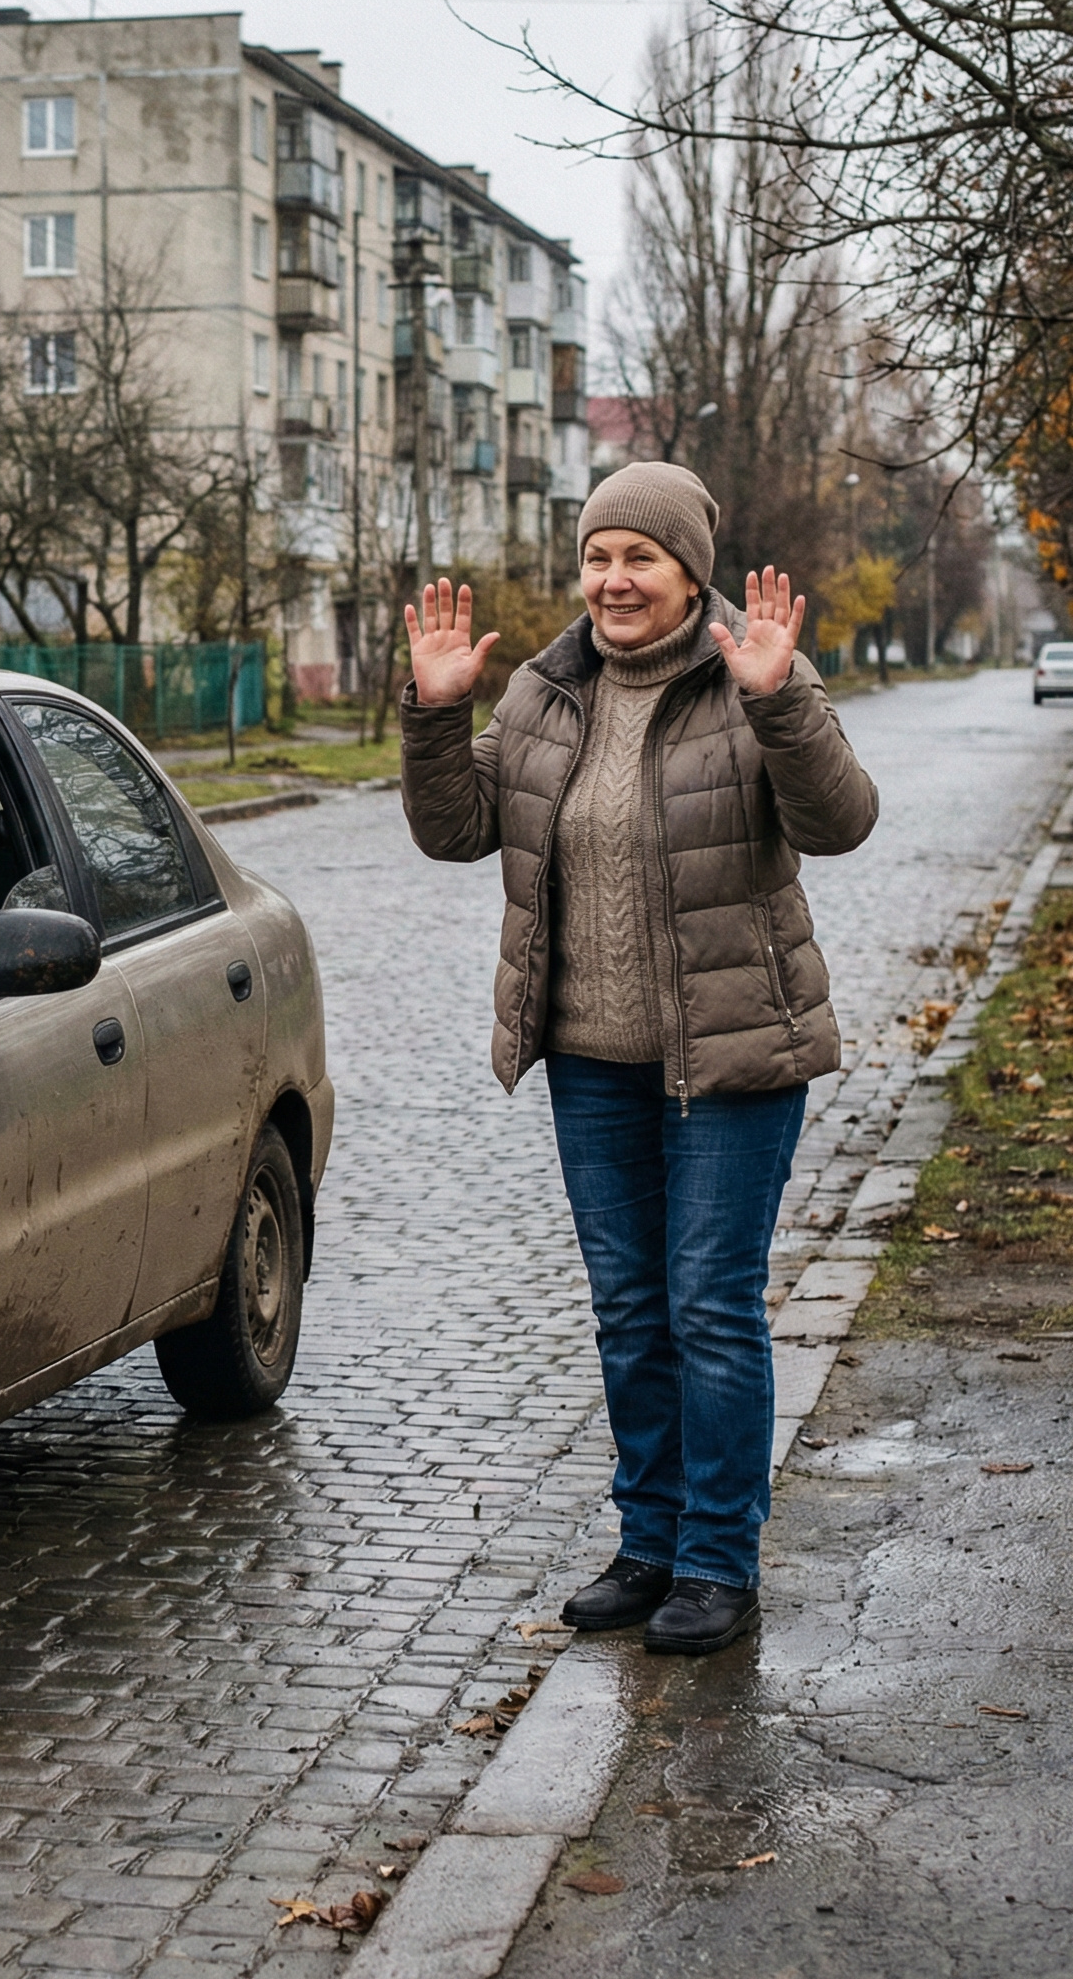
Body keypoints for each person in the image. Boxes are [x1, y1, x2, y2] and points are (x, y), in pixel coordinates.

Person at [399, 462, 878, 1655]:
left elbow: (839, 819)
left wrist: (778, 701)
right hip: (591, 1060)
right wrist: (434, 710)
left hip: (730, 1054)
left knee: (708, 1307)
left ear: (687, 574)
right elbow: (455, 831)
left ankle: (717, 1558)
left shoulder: (752, 678)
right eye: (597, 556)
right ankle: (649, 1540)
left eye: (638, 559)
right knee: (628, 1309)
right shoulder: (543, 691)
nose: (612, 581)